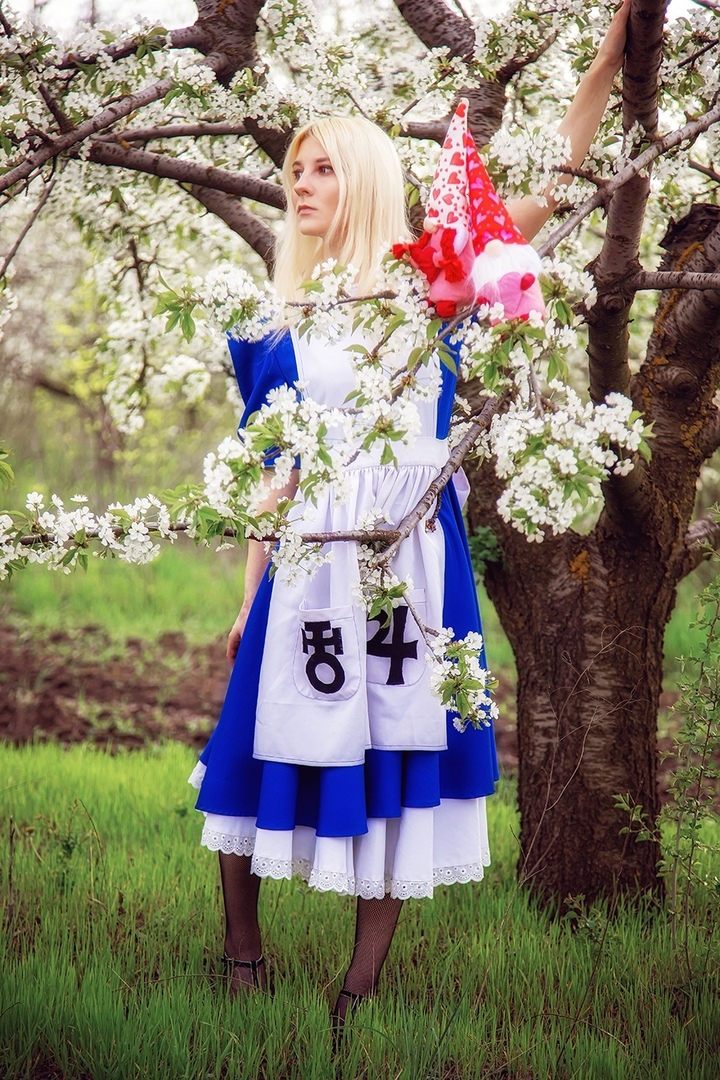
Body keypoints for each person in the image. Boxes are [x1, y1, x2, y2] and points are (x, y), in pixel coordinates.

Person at [189, 0, 630, 1032]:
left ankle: (358, 993)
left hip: (408, 565)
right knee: (251, 748)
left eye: (323, 169)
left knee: (399, 753)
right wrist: (249, 598)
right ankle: (241, 963)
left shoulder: (434, 282)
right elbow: (273, 471)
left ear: (371, 181)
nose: (301, 186)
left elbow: (555, 173)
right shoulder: (270, 323)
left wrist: (614, 51)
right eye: (295, 171)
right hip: (307, 565)